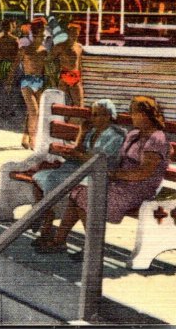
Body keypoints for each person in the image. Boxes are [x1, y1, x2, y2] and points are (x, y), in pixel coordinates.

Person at [38, 96, 171, 256]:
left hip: (138, 190)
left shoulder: (156, 139)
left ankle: (93, 249)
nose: (132, 116)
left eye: (135, 113)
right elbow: (118, 160)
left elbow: (143, 172)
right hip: (121, 184)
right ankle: (60, 241)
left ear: (146, 115)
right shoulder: (134, 135)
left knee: (83, 196)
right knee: (77, 193)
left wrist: (113, 174)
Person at [29, 99, 126, 248]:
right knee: (39, 178)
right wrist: (82, 133)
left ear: (109, 115)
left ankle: (45, 221)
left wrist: (77, 155)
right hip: (78, 167)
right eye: (94, 115)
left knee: (59, 183)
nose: (95, 118)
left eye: (100, 115)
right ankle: (46, 220)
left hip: (96, 173)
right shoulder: (92, 130)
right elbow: (79, 150)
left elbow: (99, 161)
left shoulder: (116, 135)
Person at [15, 19, 48, 150]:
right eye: (41, 35)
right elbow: (14, 65)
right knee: (34, 111)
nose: (43, 38)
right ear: (34, 34)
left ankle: (25, 137)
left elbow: (46, 69)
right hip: (27, 81)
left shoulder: (44, 51)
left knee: (33, 112)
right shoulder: (24, 48)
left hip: (39, 81)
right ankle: (33, 140)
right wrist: (8, 81)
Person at [48, 23, 84, 108]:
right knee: (61, 102)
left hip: (75, 75)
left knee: (79, 103)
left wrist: (80, 77)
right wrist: (52, 75)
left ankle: (75, 120)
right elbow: (48, 59)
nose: (74, 34)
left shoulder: (79, 47)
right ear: (68, 33)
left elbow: (79, 63)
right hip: (65, 74)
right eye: (72, 31)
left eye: (76, 32)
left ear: (78, 33)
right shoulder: (60, 46)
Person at [0, 19, 20, 117]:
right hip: (11, 64)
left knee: (4, 88)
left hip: (1, 64)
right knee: (12, 88)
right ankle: (11, 109)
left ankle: (4, 109)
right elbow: (17, 55)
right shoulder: (14, 39)